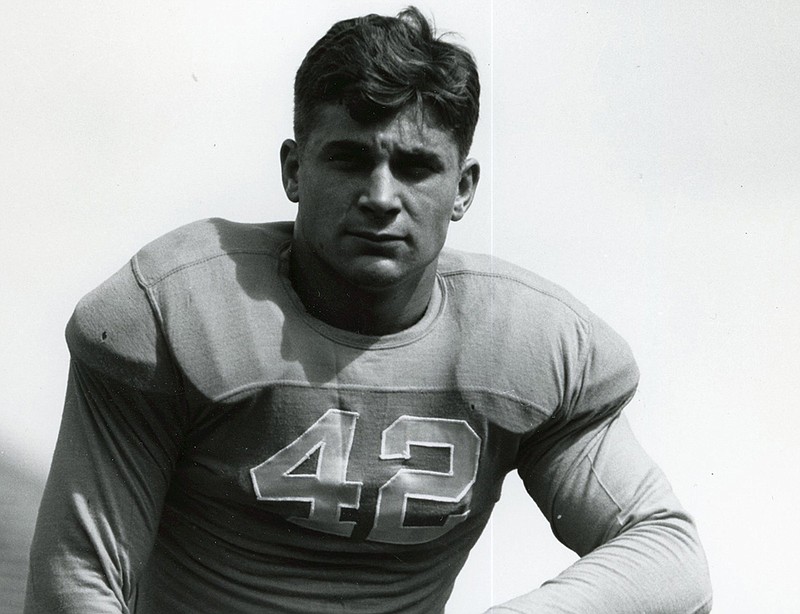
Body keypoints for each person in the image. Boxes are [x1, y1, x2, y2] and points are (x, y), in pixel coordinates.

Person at [25, 7, 712, 613]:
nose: (381, 196)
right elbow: (79, 580)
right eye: (351, 159)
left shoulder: (524, 344)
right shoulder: (175, 310)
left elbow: (669, 554)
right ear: (295, 170)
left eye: (415, 166)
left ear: (463, 187)